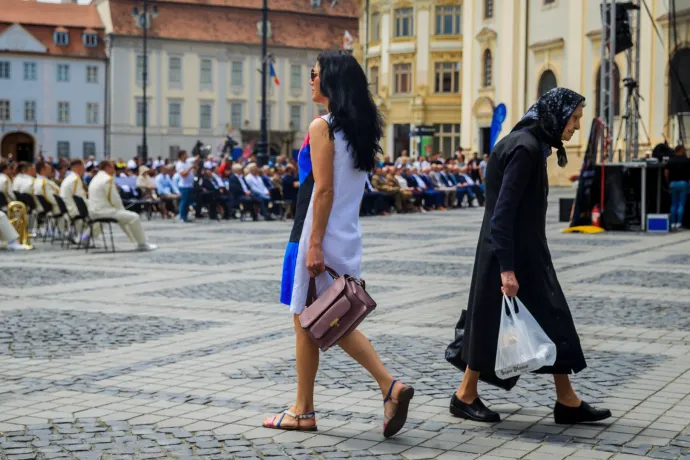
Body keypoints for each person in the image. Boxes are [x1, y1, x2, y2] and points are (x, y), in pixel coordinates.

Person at [264, 50, 414, 438]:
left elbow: (324, 190)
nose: (310, 80)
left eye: (314, 74)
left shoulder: (322, 127)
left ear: (330, 80)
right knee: (328, 317)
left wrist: (313, 244)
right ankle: (320, 404)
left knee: (309, 319)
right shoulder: (360, 129)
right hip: (346, 233)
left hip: (318, 233)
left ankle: (313, 407)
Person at [450, 88, 612, 425]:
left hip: (518, 253)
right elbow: (502, 213)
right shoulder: (525, 149)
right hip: (510, 257)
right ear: (556, 115)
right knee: (492, 325)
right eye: (574, 118)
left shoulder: (524, 143)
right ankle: (465, 395)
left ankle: (567, 400)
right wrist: (507, 269)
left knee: (551, 321)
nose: (577, 126)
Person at [88, 160, 157, 251]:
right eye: (113, 167)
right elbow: (115, 199)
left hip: (94, 210)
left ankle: (85, 238)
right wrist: (122, 209)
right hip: (103, 211)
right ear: (107, 167)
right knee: (134, 217)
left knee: (122, 219)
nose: (114, 169)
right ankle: (142, 244)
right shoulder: (107, 179)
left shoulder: (96, 178)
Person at [665, 144, 690, 230]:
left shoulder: (670, 160)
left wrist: (668, 182)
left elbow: (666, 172)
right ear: (681, 150)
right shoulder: (687, 160)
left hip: (673, 184)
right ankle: (679, 223)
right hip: (683, 183)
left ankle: (672, 223)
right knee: (681, 204)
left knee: (673, 204)